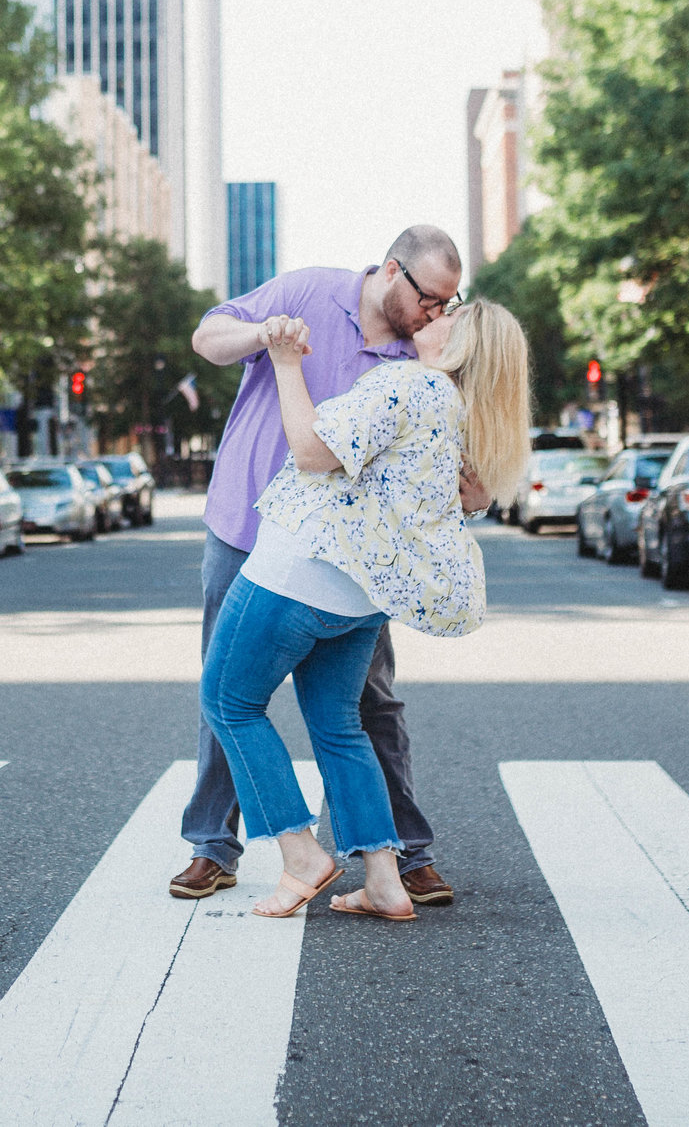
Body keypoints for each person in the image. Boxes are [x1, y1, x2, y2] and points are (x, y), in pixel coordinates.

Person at [170, 225, 482, 906]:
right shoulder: (309, 289)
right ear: (394, 271)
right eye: (431, 299)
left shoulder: (416, 362)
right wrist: (265, 339)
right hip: (248, 526)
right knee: (228, 687)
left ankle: (400, 853)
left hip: (348, 560)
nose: (436, 315)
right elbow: (207, 336)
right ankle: (213, 846)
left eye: (448, 305)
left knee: (367, 703)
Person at [200, 300, 529, 919]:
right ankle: (384, 880)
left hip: (301, 567)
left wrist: (285, 363)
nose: (429, 319)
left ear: (462, 344)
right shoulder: (471, 416)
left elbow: (310, 451)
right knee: (338, 723)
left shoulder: (408, 385)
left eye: (446, 316)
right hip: (364, 596)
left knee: (228, 700)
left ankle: (301, 855)